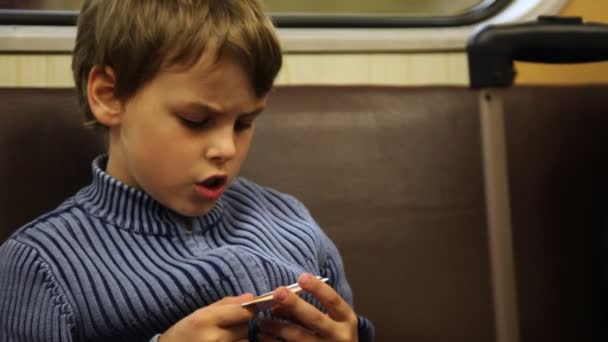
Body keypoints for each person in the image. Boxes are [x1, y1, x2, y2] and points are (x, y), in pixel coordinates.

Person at [0, 0, 374, 341]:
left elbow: (347, 321)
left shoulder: (291, 222)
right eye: (196, 120)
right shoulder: (41, 267)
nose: (226, 149)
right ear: (109, 96)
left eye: (243, 123)